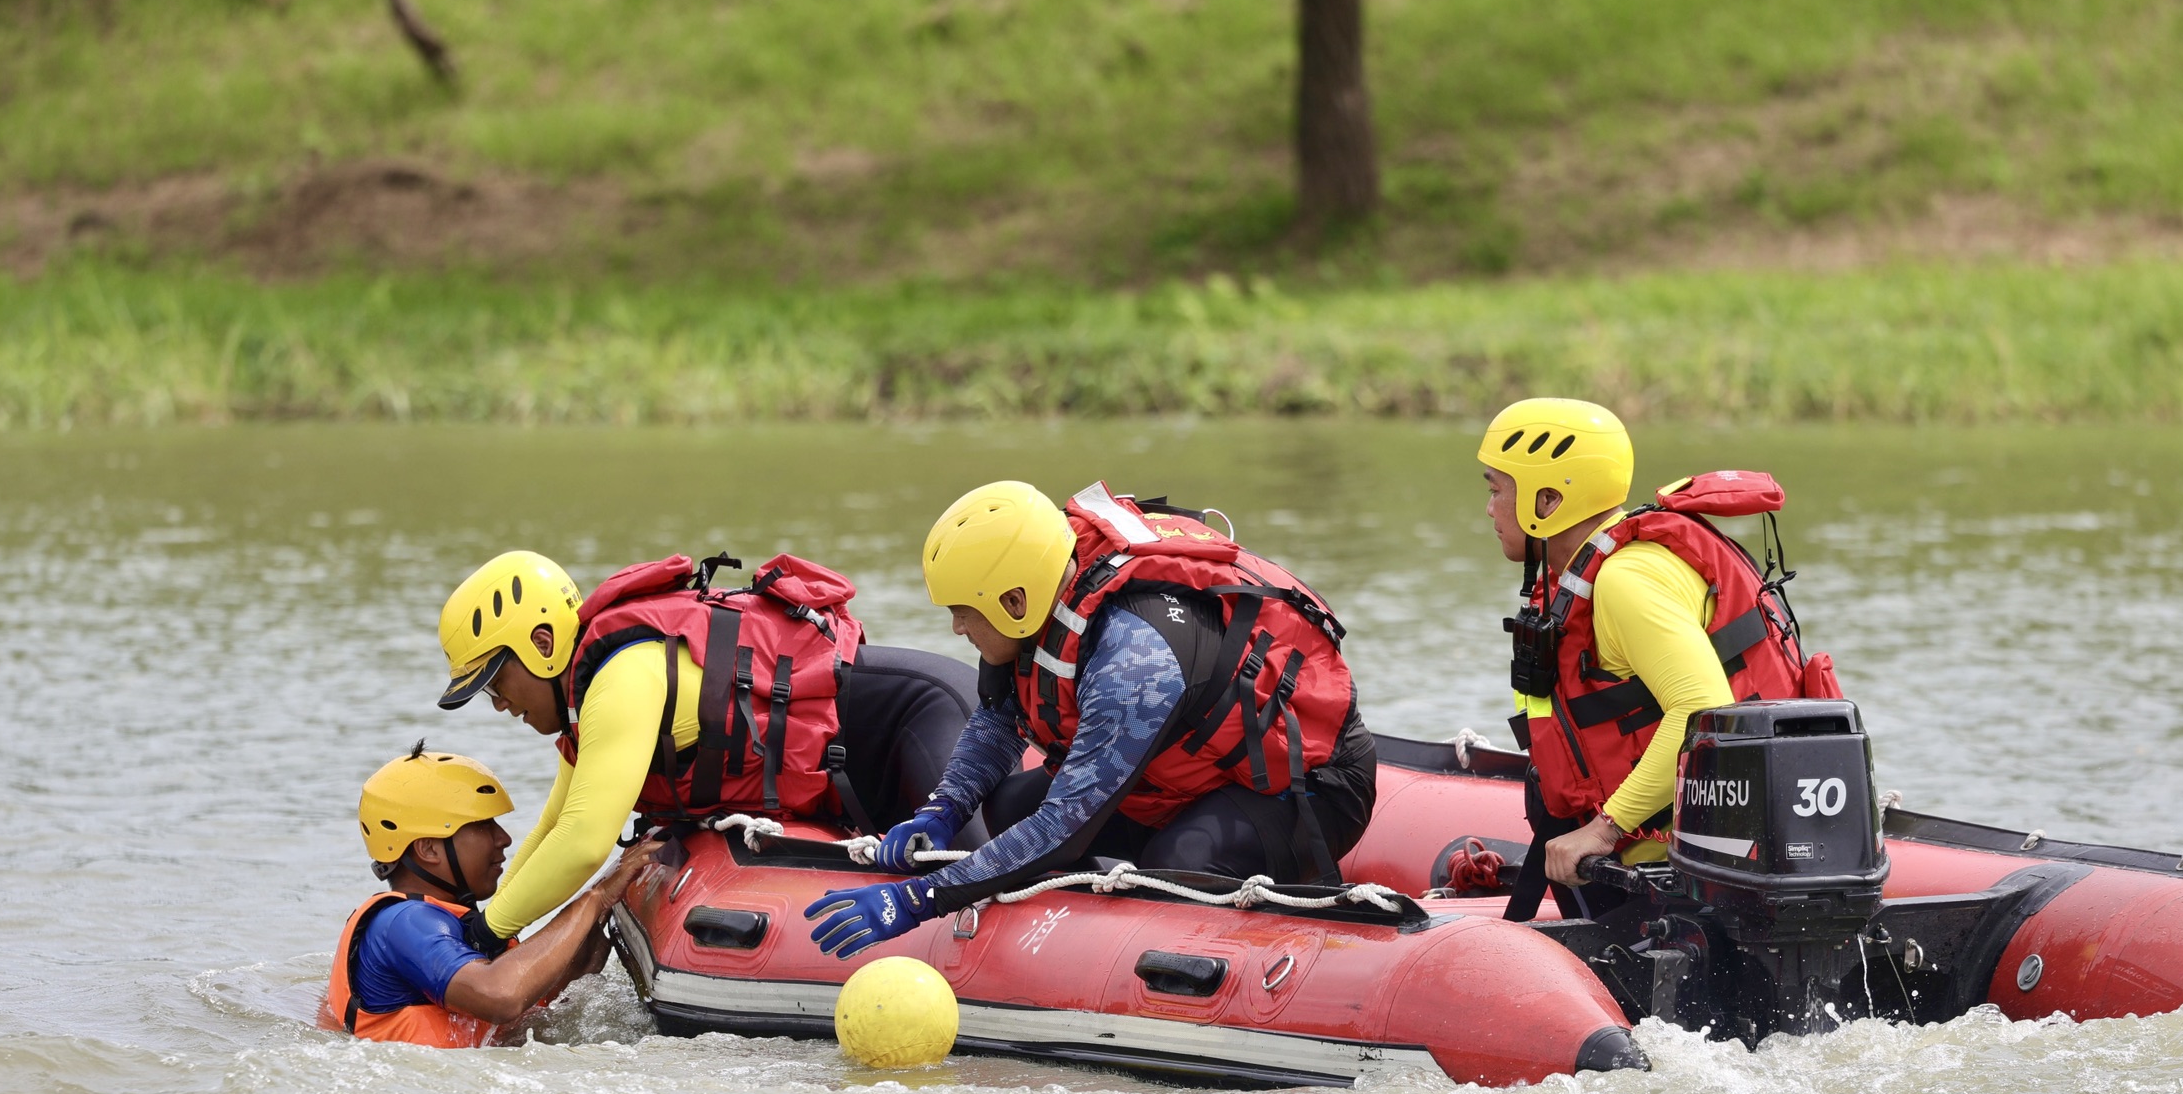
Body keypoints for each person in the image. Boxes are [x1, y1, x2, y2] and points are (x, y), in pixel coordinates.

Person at [805, 480, 1378, 959]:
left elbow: (1063, 830)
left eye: (962, 612)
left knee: (1179, 862)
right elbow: (1001, 719)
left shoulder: (1135, 658)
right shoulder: (1034, 601)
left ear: (1013, 601)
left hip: (1308, 788)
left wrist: (918, 900)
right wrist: (943, 809)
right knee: (1007, 808)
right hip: (1190, 777)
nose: (957, 628)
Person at [435, 548, 980, 956]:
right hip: (873, 772)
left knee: (983, 884)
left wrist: (485, 935)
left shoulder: (622, 677)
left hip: (923, 718)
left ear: (542, 644)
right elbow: (554, 825)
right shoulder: (587, 699)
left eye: (495, 681)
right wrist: (486, 921)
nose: (499, 703)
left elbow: (583, 842)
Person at [1479, 397, 1843, 920]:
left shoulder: (1625, 580)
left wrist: (1603, 829)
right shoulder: (1590, 572)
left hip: (1688, 876)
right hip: (1674, 856)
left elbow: (1700, 709)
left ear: (1549, 500)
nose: (1489, 509)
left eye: (1496, 489)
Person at [318, 744, 658, 1047]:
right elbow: (502, 997)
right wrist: (594, 898)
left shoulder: (452, 925)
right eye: (483, 826)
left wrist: (605, 903)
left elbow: (547, 1004)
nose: (503, 839)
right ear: (428, 849)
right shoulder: (404, 923)